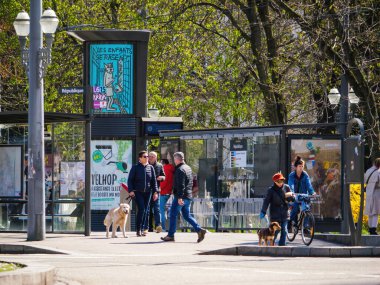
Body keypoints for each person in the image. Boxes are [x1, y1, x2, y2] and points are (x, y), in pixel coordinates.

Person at [161, 152, 207, 242]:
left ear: (177, 159)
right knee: (186, 215)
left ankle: (170, 235)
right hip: (188, 196)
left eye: (174, 159)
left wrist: (179, 198)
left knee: (173, 214)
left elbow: (181, 185)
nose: (174, 161)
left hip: (181, 197)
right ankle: (199, 230)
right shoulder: (188, 168)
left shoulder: (180, 170)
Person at [127, 150, 158, 237]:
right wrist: (131, 190)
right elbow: (130, 180)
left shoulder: (151, 167)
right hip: (138, 192)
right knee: (142, 209)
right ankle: (138, 229)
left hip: (148, 192)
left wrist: (155, 192)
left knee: (146, 210)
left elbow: (154, 181)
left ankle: (144, 228)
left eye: (147, 156)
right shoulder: (135, 167)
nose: (147, 158)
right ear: (140, 158)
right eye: (145, 156)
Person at [260, 172, 294, 246]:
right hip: (275, 214)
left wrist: (291, 198)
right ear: (275, 182)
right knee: (274, 232)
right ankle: (272, 246)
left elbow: (292, 197)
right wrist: (263, 211)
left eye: (282, 180)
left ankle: (282, 246)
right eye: (278, 181)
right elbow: (266, 201)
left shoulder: (286, 187)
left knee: (284, 231)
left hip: (285, 213)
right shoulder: (271, 190)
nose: (280, 183)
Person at [288, 156, 316, 226]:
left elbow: (308, 185)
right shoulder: (292, 175)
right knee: (295, 207)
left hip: (303, 195)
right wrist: (292, 192)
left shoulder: (305, 175)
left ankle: (305, 226)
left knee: (306, 208)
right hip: (295, 195)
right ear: (296, 167)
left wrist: (312, 192)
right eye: (299, 166)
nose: (301, 168)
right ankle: (292, 221)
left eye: (302, 166)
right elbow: (291, 185)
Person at [147, 151, 165, 233]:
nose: (150, 158)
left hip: (156, 191)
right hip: (147, 190)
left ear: (156, 158)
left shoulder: (159, 165)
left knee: (157, 208)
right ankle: (149, 227)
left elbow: (164, 176)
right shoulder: (146, 165)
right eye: (149, 156)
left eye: (152, 156)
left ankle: (158, 225)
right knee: (148, 209)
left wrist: (161, 177)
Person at [364, 157, 380, 235]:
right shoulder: (378, 172)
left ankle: (370, 228)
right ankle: (373, 229)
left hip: (368, 193)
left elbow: (364, 180)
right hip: (376, 193)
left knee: (370, 212)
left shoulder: (368, 170)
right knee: (375, 212)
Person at [159, 159, 175, 232]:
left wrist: (159, 188)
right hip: (170, 193)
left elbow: (163, 182)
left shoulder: (164, 169)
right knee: (169, 211)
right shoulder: (172, 169)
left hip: (163, 193)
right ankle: (170, 227)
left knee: (161, 211)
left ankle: (163, 228)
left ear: (163, 163)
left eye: (160, 162)